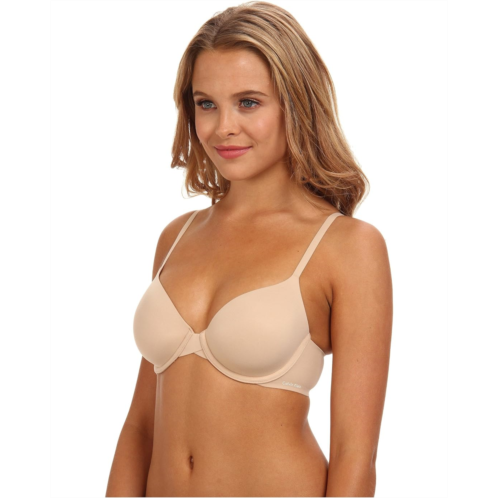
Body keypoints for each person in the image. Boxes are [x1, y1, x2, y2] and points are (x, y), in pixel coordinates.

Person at [106, 2, 393, 496]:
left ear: (296, 104)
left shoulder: (348, 247)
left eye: (249, 102)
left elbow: (355, 454)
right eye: (206, 104)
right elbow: (140, 427)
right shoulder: (176, 237)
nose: (223, 128)